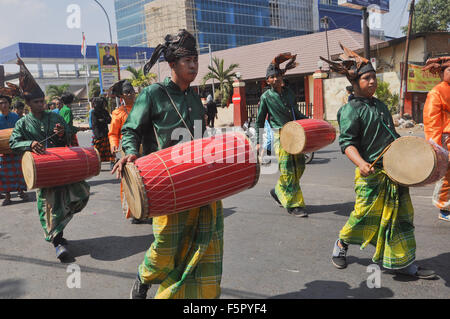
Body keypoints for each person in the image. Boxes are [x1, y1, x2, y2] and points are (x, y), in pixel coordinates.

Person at [113, 29, 223, 299]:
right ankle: (143, 277)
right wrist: (129, 152)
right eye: (188, 61)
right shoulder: (154, 93)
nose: (194, 66)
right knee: (166, 245)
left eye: (196, 60)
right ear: (172, 64)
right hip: (166, 182)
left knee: (203, 240)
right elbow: (130, 130)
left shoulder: (195, 99)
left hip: (197, 181)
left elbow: (200, 138)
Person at [320, 44, 436, 279]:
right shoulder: (351, 110)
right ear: (355, 83)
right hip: (370, 174)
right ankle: (341, 245)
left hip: (394, 172)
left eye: (374, 77)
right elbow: (347, 144)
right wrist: (361, 163)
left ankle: (402, 261)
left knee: (402, 217)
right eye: (367, 78)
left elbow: (390, 135)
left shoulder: (381, 105)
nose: (373, 82)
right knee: (363, 215)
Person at [8, 56, 90, 262]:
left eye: (43, 101)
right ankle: (58, 241)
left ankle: (60, 231)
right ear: (27, 104)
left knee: (81, 193)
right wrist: (29, 144)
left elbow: (69, 133)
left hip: (62, 165)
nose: (41, 104)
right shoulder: (23, 123)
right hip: (42, 170)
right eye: (36, 102)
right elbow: (13, 143)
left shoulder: (55, 116)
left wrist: (62, 133)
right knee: (51, 205)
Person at [255, 53, 309, 218]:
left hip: (295, 133)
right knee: (287, 170)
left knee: (300, 166)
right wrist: (258, 142)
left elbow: (296, 113)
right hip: (279, 134)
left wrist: (310, 122)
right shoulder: (266, 97)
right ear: (268, 80)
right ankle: (294, 205)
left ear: (281, 76)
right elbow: (258, 121)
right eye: (272, 77)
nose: (275, 79)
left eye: (277, 75)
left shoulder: (289, 93)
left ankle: (278, 191)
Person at [107, 79, 144, 224]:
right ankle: (134, 211)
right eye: (127, 92)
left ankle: (149, 208)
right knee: (130, 180)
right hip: (127, 148)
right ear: (122, 96)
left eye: (132, 91)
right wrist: (113, 144)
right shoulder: (118, 113)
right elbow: (113, 133)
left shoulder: (142, 107)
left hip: (144, 147)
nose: (131, 94)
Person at [422, 56, 450, 222]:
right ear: (441, 72)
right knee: (447, 174)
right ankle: (443, 207)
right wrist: (435, 146)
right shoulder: (436, 92)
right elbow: (432, 121)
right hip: (445, 139)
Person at [0, 93, 28, 205]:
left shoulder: (16, 117)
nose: (3, 105)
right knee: (3, 174)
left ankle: (21, 192)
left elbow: (22, 131)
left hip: (16, 149)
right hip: (3, 152)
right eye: (1, 103)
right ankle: (7, 196)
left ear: (9, 104)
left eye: (5, 102)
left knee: (19, 171)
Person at [90, 97, 115, 168]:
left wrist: (102, 120)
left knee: (109, 150)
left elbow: (109, 120)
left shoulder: (104, 111)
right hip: (98, 135)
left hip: (105, 133)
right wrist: (102, 120)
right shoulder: (93, 112)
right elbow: (95, 123)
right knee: (97, 151)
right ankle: (97, 164)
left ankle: (112, 162)